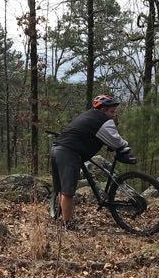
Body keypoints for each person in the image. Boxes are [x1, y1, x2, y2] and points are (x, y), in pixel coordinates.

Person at [50, 94, 136, 230]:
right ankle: (68, 225)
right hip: (68, 153)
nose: (113, 115)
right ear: (102, 110)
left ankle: (65, 219)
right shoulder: (103, 119)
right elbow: (116, 140)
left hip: (57, 149)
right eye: (111, 111)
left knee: (62, 188)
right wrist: (125, 144)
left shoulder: (88, 115)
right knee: (67, 192)